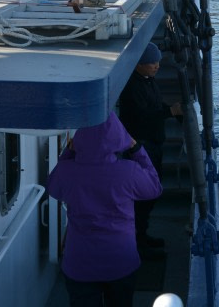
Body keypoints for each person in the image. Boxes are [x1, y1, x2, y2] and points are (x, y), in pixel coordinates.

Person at [46, 112, 161, 307]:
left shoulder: (67, 172)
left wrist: (70, 151)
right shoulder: (128, 171)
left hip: (79, 263)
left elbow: (53, 188)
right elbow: (155, 187)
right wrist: (137, 149)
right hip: (120, 261)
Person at [118, 41, 183, 258]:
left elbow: (154, 108)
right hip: (141, 148)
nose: (156, 66)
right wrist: (170, 112)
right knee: (143, 197)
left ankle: (141, 236)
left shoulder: (148, 81)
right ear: (139, 64)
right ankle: (137, 241)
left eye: (157, 62)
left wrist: (170, 110)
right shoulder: (131, 88)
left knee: (150, 195)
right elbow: (140, 118)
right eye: (151, 62)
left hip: (153, 145)